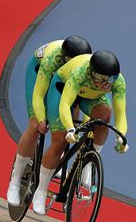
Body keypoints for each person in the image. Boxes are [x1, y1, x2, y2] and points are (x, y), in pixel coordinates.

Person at [31, 50, 129, 215]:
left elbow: (121, 114)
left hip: (91, 96)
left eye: (110, 79)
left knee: (105, 115)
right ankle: (40, 190)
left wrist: (121, 137)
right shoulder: (79, 73)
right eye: (103, 80)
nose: (107, 84)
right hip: (62, 88)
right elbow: (64, 105)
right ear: (92, 74)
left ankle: (88, 163)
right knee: (60, 142)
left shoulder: (118, 82)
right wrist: (70, 128)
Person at [6, 36, 92, 206]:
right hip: (39, 73)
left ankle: (57, 158)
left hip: (64, 82)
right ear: (66, 59)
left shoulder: (86, 67)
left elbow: (86, 97)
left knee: (73, 115)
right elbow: (38, 95)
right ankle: (15, 182)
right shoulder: (53, 58)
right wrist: (40, 119)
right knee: (34, 126)